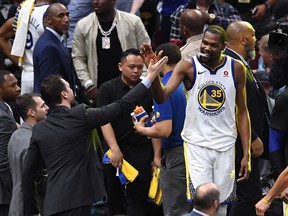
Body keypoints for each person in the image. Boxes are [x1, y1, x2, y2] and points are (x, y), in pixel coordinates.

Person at [22, 56, 168, 215]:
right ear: (64, 94)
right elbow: (122, 105)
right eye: (70, 88)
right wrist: (149, 78)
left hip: (52, 205)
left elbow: (28, 174)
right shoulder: (80, 115)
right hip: (77, 201)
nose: (73, 90)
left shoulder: (39, 129)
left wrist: (31, 211)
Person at [141, 25, 251, 216]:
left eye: (213, 45)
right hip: (196, 144)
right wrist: (154, 75)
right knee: (202, 204)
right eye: (205, 43)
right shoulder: (188, 66)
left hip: (226, 144)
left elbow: (243, 112)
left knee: (222, 205)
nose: (207, 47)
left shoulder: (237, 68)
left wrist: (246, 153)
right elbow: (161, 97)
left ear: (224, 46)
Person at [134, 43, 191, 216]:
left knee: (176, 211)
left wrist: (141, 129)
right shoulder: (186, 83)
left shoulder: (163, 88)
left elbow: (164, 130)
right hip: (194, 152)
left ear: (158, 57)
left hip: (177, 155)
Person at [97, 48, 155, 216]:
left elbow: (155, 119)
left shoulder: (149, 88)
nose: (136, 71)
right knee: (114, 198)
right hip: (114, 147)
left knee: (138, 198)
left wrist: (156, 155)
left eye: (139, 67)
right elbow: (104, 120)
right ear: (120, 66)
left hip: (141, 148)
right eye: (131, 67)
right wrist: (114, 149)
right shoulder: (107, 89)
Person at [224, 20, 270, 216]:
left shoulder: (239, 63)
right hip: (241, 143)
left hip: (246, 143)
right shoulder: (229, 65)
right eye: (253, 37)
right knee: (247, 196)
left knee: (248, 195)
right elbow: (231, 107)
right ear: (243, 39)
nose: (255, 41)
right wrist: (252, 137)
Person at [72, 0, 150, 104]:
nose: (95, 2)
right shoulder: (83, 25)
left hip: (132, 88)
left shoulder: (133, 22)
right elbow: (78, 58)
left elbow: (146, 54)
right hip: (99, 90)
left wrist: (141, 82)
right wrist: (88, 84)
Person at [33, 3, 85, 103]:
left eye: (67, 15)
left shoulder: (55, 41)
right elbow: (50, 88)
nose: (66, 20)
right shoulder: (49, 46)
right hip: (55, 109)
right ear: (49, 20)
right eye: (60, 16)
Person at [7, 93, 48, 216]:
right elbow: (33, 181)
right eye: (42, 106)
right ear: (31, 112)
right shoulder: (34, 141)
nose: (47, 108)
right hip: (31, 207)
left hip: (15, 205)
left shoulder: (15, 135)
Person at [0, 0, 53, 94]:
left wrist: (21, 63)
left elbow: (1, 36)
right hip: (47, 74)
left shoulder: (23, 12)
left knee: (29, 107)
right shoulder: (53, 13)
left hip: (28, 74)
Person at [170, 0, 241, 47]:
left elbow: (238, 27)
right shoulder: (183, 11)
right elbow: (176, 42)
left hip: (220, 53)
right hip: (190, 56)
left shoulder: (225, 8)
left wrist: (212, 18)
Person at [0, 70, 20, 216]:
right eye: (12, 86)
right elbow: (3, 159)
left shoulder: (5, 109)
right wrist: (13, 188)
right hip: (3, 191)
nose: (18, 88)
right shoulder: (3, 117)